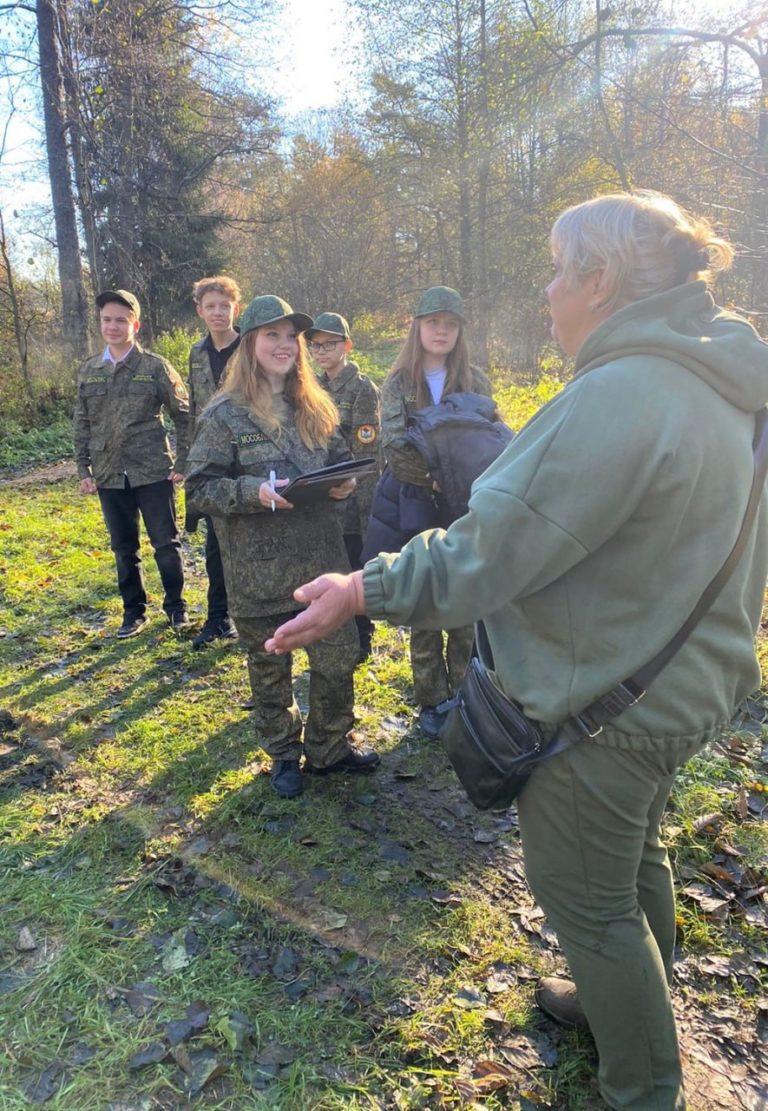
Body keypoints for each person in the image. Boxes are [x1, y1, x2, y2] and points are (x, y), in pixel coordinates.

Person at [265, 192, 768, 1110]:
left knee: (590, 900)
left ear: (600, 280)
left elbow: (486, 548)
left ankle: (644, 1085)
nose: (544, 293)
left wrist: (361, 589)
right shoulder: (723, 377)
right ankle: (605, 1003)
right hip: (687, 682)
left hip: (607, 705)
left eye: (553, 270)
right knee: (633, 857)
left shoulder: (623, 393)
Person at [185, 294, 380, 799]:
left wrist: (345, 483)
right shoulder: (224, 415)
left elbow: (339, 457)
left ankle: (329, 748)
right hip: (259, 570)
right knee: (271, 668)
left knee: (338, 659)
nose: (284, 344)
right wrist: (253, 493)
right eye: (272, 334)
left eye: (291, 336)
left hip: (321, 561)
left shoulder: (314, 405)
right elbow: (199, 487)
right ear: (250, 343)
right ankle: (284, 755)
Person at [377, 286, 492, 738]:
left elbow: (488, 435)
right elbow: (393, 445)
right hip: (416, 500)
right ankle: (431, 698)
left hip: (465, 501)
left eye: (449, 323)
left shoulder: (475, 380)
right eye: (432, 323)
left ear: (460, 330)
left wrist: (461, 481)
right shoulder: (399, 382)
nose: (440, 331)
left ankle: (466, 693)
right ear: (418, 327)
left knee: (464, 592)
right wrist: (436, 478)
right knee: (423, 594)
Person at [74, 289, 191, 638]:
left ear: (135, 325)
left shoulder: (155, 367)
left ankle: (176, 608)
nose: (112, 326)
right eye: (107, 319)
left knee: (166, 546)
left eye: (121, 320)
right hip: (109, 474)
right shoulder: (90, 371)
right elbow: (82, 422)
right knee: (124, 550)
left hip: (153, 470)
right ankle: (133, 612)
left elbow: (184, 416)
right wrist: (84, 469)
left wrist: (183, 460)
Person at [307, 311, 380, 661]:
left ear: (347, 345)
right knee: (327, 563)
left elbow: (367, 449)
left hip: (354, 497)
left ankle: (362, 636)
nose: (321, 351)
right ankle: (333, 629)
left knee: (354, 565)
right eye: (316, 345)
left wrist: (353, 492)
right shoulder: (313, 387)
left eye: (329, 344)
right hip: (322, 493)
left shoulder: (362, 389)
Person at [187, 275, 242, 649]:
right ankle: (217, 617)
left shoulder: (251, 347)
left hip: (249, 454)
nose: (218, 312)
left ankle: (252, 615)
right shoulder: (196, 354)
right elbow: (194, 408)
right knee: (214, 544)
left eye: (224, 305)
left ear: (235, 307)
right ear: (201, 311)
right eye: (211, 306)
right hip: (212, 458)